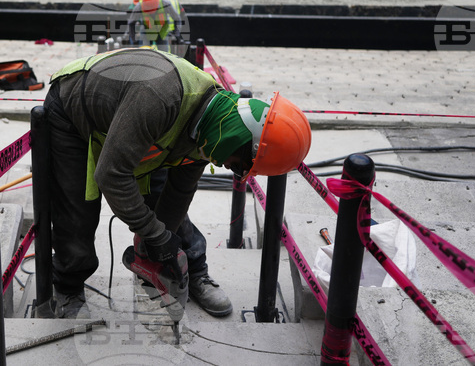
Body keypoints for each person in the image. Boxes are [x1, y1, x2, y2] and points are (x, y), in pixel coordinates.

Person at [42, 47, 312, 319]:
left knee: (159, 198)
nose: (231, 169)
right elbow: (111, 176)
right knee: (78, 209)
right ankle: (68, 286)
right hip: (73, 111)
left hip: (138, 119)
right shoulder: (159, 98)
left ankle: (193, 270)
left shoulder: (214, 125)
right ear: (237, 139)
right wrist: (155, 235)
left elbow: (179, 193)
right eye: (239, 165)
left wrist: (162, 247)